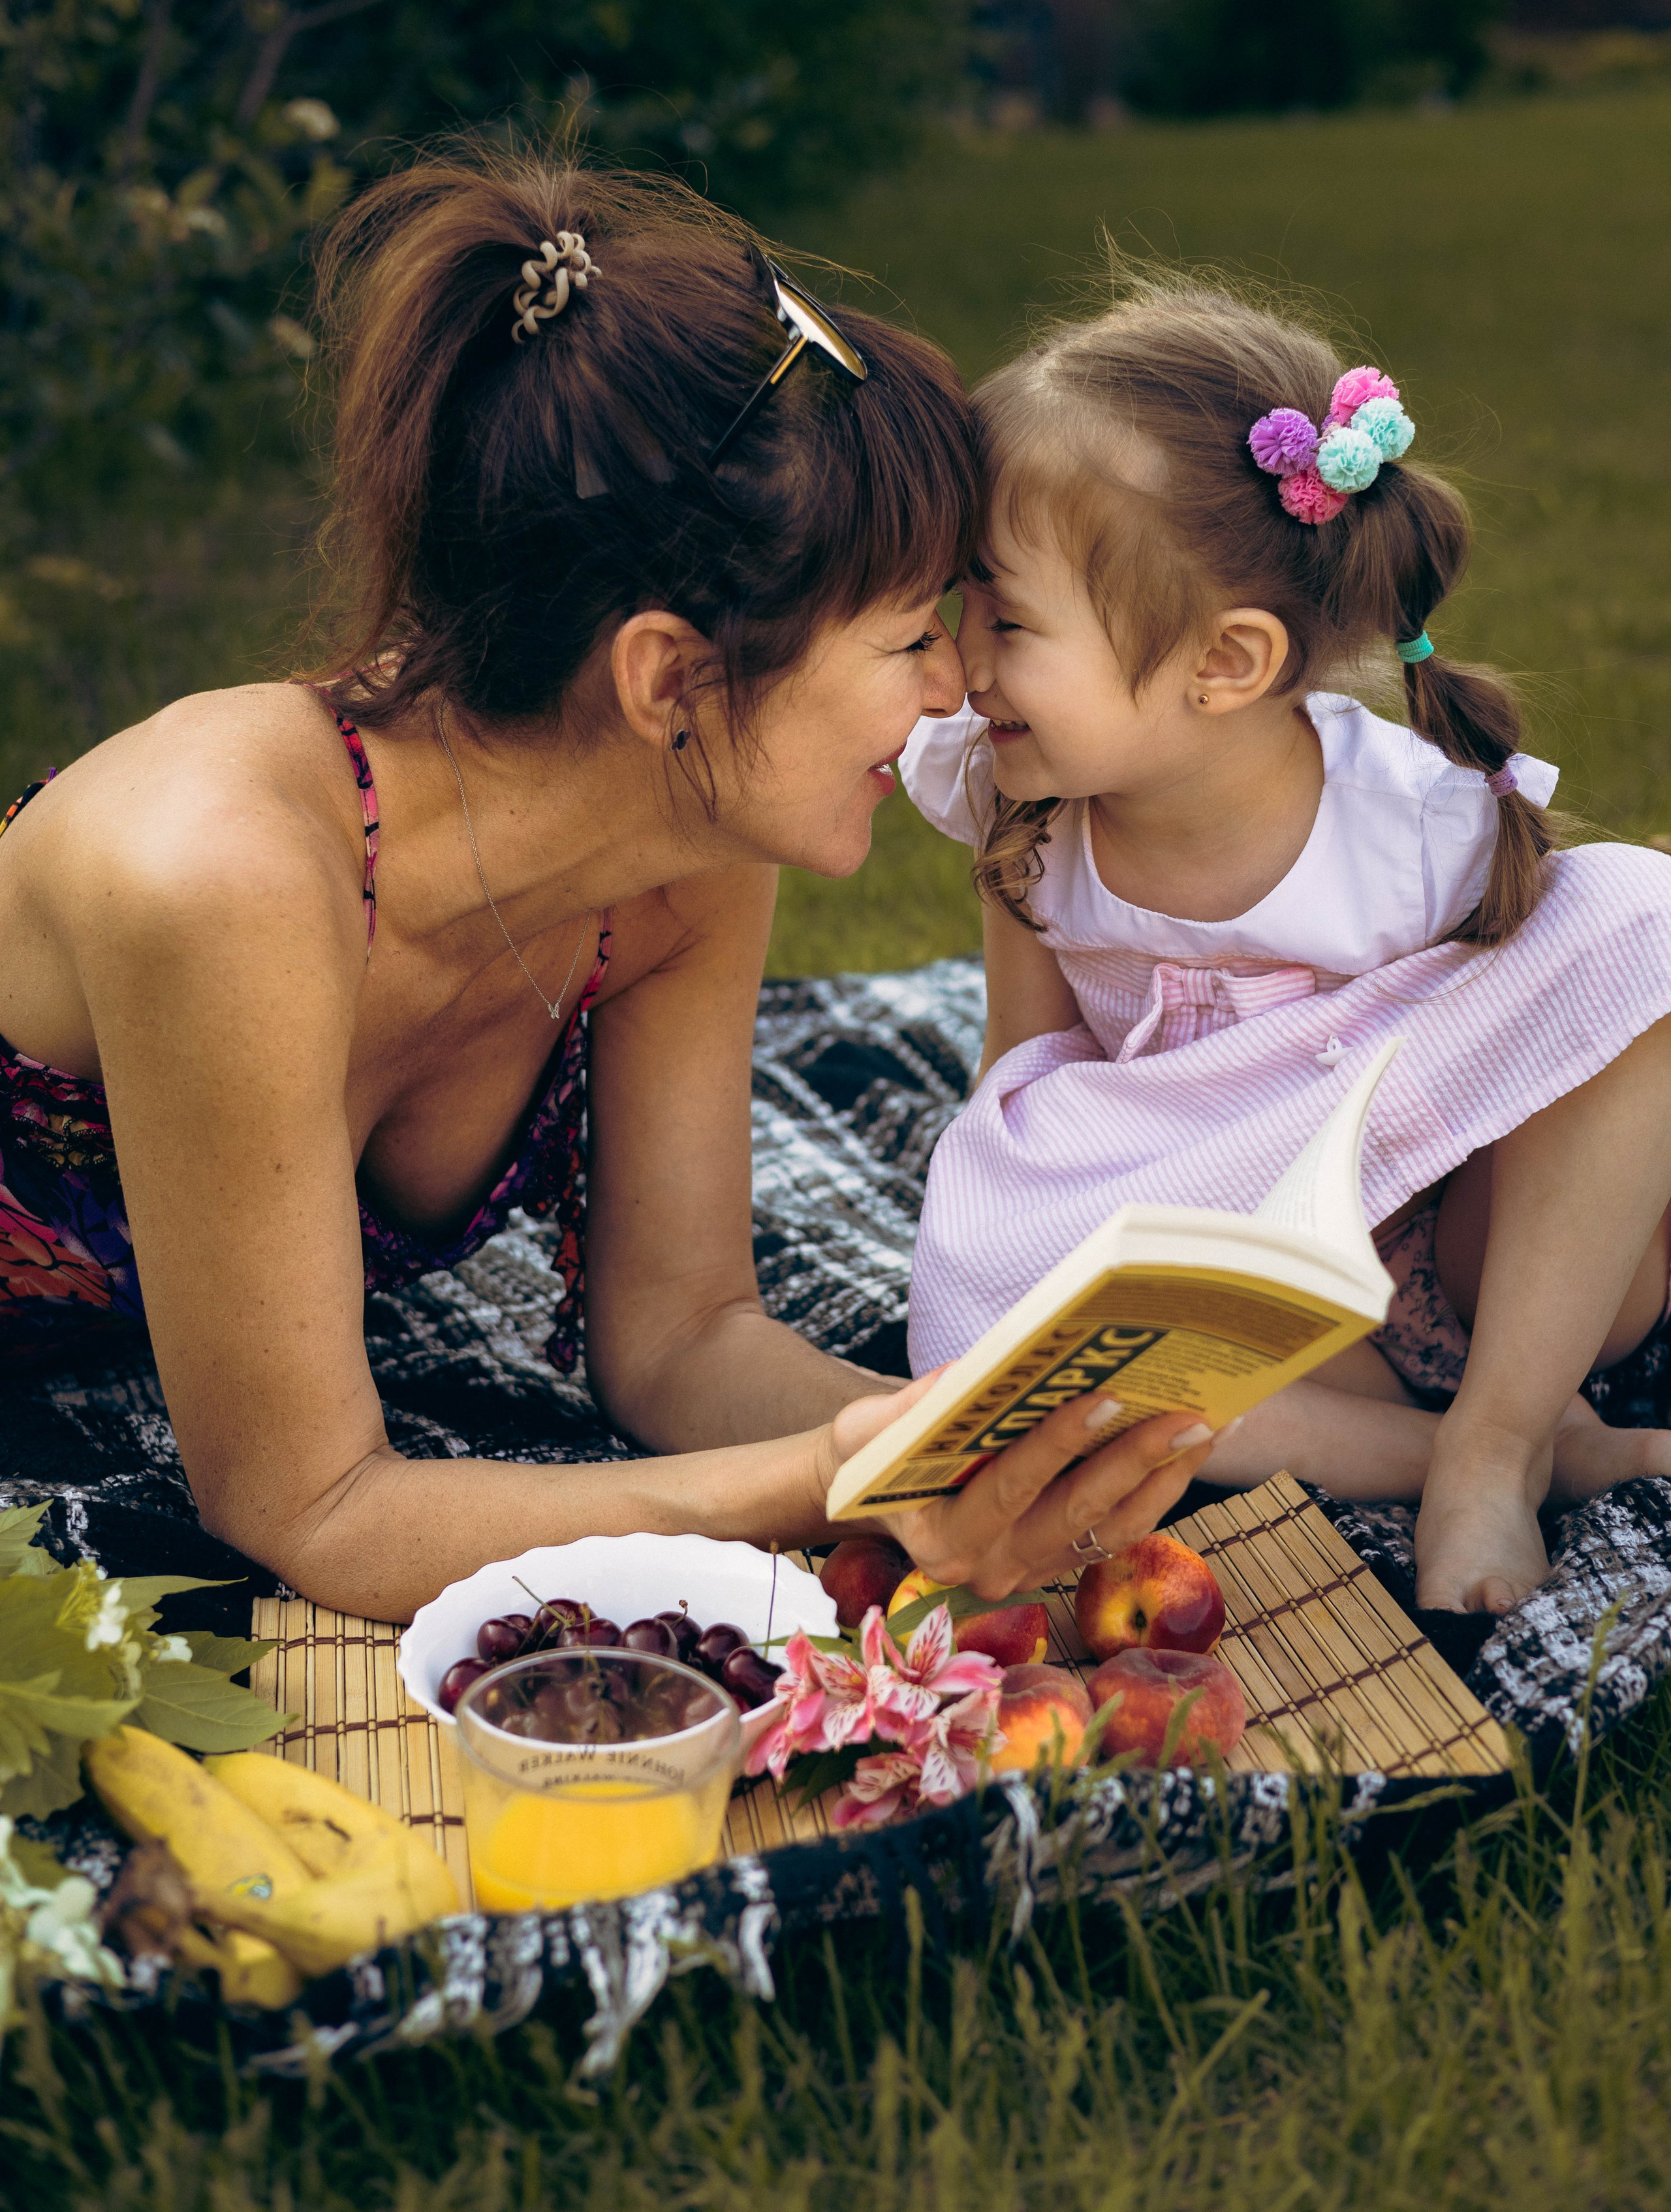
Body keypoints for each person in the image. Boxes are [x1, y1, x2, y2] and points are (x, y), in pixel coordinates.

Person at [0, 155, 1216, 1622]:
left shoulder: (684, 844)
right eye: (909, 638)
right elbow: (310, 1507)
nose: (958, 685)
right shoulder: (223, 878)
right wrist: (818, 1481)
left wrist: (959, 1444)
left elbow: (680, 1336)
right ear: (668, 678)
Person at [899, 273, 1671, 1618]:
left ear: (1226, 663)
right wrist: (1011, 1255)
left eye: (1006, 620)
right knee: (992, 1342)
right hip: (1255, 1302)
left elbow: (1555, 1018)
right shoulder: (1020, 806)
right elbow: (1023, 1076)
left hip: (1482, 1271)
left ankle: (1501, 1438)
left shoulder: (1403, 827)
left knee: (1640, 915)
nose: (960, 658)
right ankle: (1465, 1458)